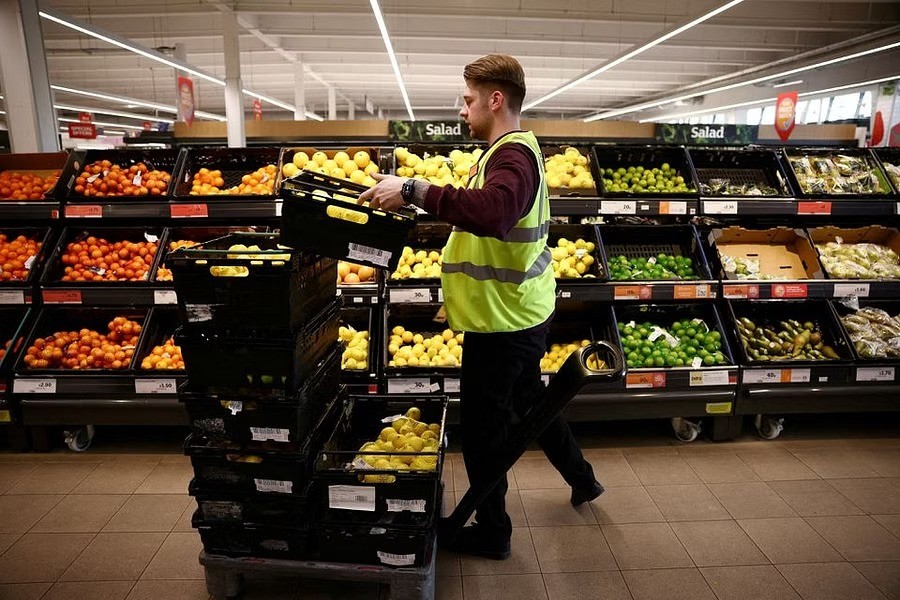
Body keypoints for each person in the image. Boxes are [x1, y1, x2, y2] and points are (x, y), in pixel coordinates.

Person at [358, 54, 603, 560]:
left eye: (469, 99)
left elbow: (493, 214)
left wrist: (413, 189)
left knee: (484, 433)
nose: (462, 108)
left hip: (503, 322)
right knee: (533, 404)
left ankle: (493, 532)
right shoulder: (504, 152)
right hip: (513, 310)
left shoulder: (512, 157)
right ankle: (583, 479)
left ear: (496, 100)